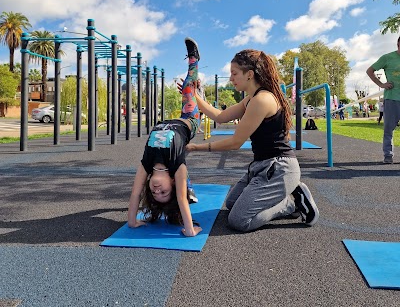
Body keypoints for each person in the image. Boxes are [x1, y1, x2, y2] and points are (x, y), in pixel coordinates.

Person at [186, 49, 319, 232]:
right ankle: (286, 196)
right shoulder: (251, 99)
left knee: (239, 221)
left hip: (279, 169)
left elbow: (235, 142)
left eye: (234, 74)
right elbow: (221, 116)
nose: (231, 78)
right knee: (232, 203)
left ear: (249, 74)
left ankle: (293, 203)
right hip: (262, 167)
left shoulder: (262, 100)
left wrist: (195, 148)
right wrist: (194, 96)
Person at [127, 37, 202, 237]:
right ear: (173, 182)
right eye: (164, 192)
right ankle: (193, 59)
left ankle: (197, 90)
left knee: (190, 90)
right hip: (190, 121)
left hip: (173, 121)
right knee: (188, 89)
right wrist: (190, 229)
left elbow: (135, 193)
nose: (156, 189)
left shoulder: (147, 165)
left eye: (154, 193)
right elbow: (181, 200)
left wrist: (132, 222)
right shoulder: (176, 166)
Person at [366, 35, 400, 164]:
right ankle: (388, 155)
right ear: (398, 45)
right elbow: (370, 70)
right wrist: (381, 84)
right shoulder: (387, 58)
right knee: (389, 129)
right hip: (392, 99)